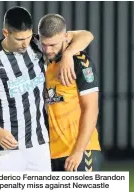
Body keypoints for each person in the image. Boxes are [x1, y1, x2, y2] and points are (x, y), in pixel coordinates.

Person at [0, 6, 94, 171]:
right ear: (6, 33)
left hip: (39, 147)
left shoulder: (37, 44)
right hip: (7, 150)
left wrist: (68, 54)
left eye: (27, 37)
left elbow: (86, 35)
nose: (25, 43)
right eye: (19, 39)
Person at [38, 14, 102, 171]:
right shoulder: (47, 63)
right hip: (53, 154)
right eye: (44, 44)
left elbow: (91, 109)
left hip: (79, 152)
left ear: (65, 37)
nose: (47, 50)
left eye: (52, 45)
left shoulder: (80, 62)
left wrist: (79, 151)